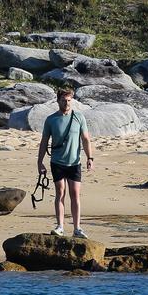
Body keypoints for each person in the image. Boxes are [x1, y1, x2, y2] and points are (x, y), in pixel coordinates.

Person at [37, 87, 93, 238]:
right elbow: (43, 142)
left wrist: (90, 158)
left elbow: (86, 139)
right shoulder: (51, 119)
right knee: (60, 192)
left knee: (75, 194)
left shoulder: (79, 117)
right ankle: (60, 226)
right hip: (57, 162)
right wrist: (40, 162)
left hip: (74, 162)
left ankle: (77, 228)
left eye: (69, 100)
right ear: (58, 101)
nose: (67, 103)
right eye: (64, 100)